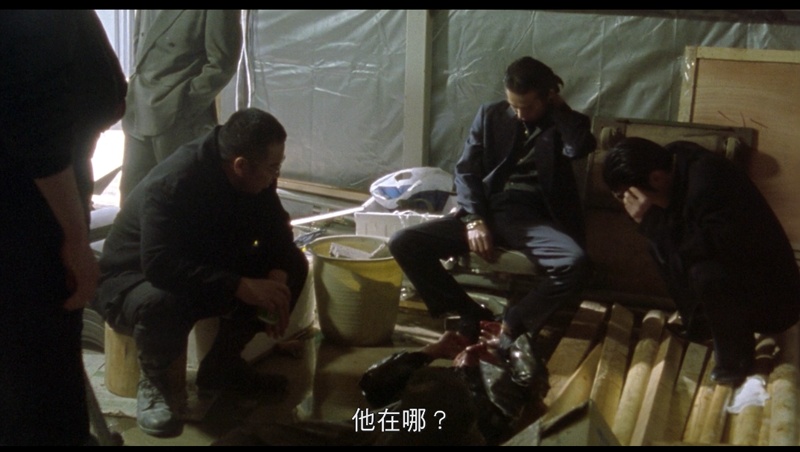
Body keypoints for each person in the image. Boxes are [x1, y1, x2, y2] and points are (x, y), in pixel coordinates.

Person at [95, 108, 309, 437]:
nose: (275, 175)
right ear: (240, 165)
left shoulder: (252, 170)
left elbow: (276, 227)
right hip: (134, 278)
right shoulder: (174, 182)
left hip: (200, 265)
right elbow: (159, 265)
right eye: (272, 168)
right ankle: (154, 383)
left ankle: (223, 365)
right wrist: (239, 285)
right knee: (164, 301)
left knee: (293, 263)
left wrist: (277, 274)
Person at [389, 56, 597, 353]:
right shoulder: (490, 115)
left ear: (549, 96)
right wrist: (473, 219)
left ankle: (514, 321)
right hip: (486, 210)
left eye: (528, 107)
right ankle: (470, 312)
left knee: (575, 264)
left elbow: (578, 148)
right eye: (514, 106)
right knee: (404, 243)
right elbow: (466, 171)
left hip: (531, 218)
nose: (520, 114)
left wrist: (559, 109)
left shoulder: (565, 123)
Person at [0, 10, 126, 446]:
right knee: (39, 371)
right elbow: (34, 122)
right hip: (30, 208)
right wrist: (74, 238)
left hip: (38, 190)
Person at [602, 137, 800, 385]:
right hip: (741, 285)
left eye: (627, 195)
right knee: (660, 241)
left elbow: (713, 250)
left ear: (656, 178)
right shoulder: (674, 166)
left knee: (703, 271)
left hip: (776, 300)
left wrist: (652, 220)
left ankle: (735, 363)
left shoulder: (709, 181)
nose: (627, 203)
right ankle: (700, 326)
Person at [119, 10, 243, 202]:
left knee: (180, 200)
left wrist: (184, 101)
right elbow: (140, 48)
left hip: (179, 120)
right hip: (139, 111)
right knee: (132, 199)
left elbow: (223, 63)